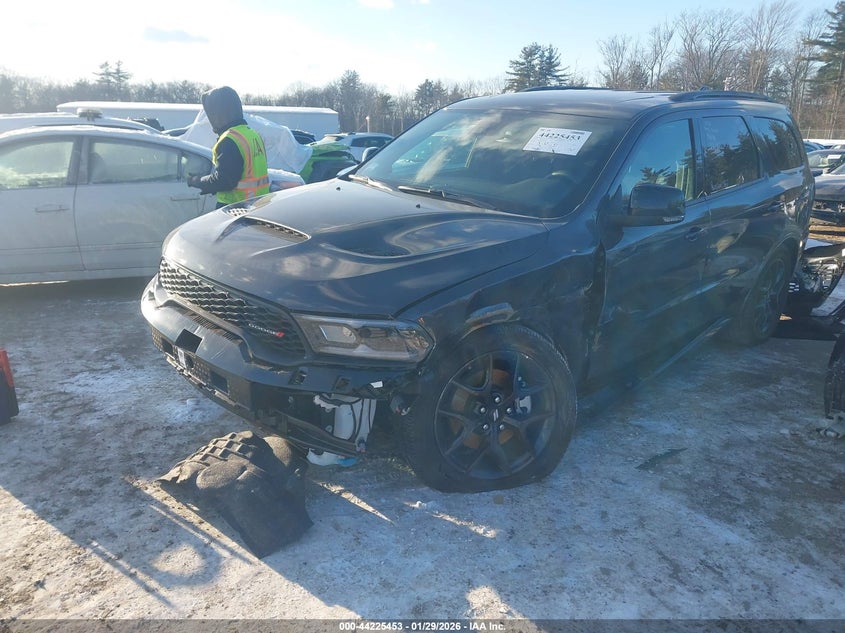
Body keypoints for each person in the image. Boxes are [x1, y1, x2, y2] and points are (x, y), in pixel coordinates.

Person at [187, 86, 269, 207]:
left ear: (218, 114)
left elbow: (224, 180)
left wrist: (198, 181)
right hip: (258, 204)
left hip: (235, 207)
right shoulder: (251, 134)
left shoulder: (229, 140)